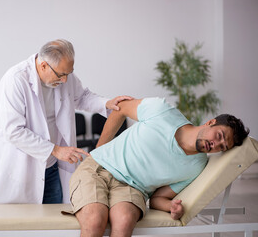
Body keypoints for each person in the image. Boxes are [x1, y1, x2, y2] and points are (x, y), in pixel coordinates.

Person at [69, 97, 249, 237]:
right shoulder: (162, 110)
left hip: (133, 188)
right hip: (98, 169)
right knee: (95, 220)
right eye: (219, 135)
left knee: (124, 221)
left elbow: (157, 198)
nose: (216, 144)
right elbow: (121, 108)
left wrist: (171, 206)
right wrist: (99, 148)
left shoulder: (197, 166)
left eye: (223, 147)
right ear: (210, 122)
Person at [0, 39, 131, 205]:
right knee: (21, 224)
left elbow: (82, 97)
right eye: (61, 75)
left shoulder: (63, 75)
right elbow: (13, 130)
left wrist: (106, 103)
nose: (65, 81)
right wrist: (55, 150)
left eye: (68, 73)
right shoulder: (15, 80)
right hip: (23, 165)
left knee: (53, 222)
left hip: (53, 165)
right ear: (43, 66)